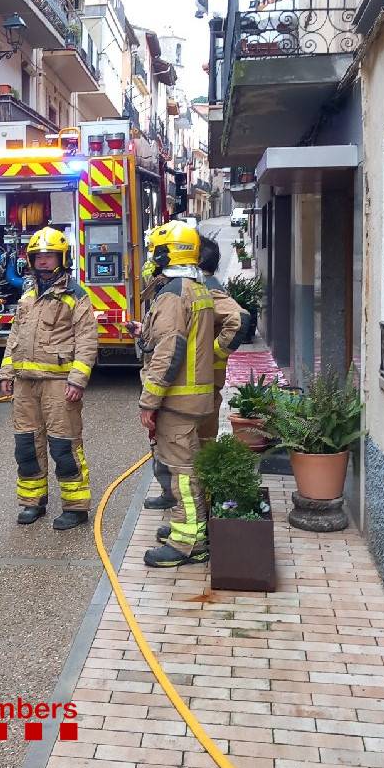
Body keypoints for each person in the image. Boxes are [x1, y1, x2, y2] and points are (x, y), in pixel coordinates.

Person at [0, 226, 99, 530]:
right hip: (26, 383)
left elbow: (87, 340)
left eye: (49, 255)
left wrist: (78, 380)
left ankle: (76, 506)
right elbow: (15, 336)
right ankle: (32, 502)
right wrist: (6, 371)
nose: (43, 261)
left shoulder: (75, 296)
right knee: (26, 445)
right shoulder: (29, 295)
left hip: (59, 385)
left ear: (62, 258)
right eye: (38, 256)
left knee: (63, 446)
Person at [134, 220, 218, 568]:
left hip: (177, 401)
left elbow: (169, 351)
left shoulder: (172, 295)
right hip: (194, 397)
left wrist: (149, 401)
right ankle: (191, 526)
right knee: (190, 466)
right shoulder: (198, 289)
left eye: (155, 251)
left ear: (167, 253)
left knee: (182, 472)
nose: (151, 259)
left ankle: (189, 543)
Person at [196, 235, 249, 446]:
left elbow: (240, 319)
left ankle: (194, 479)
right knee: (202, 444)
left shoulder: (207, 290)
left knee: (195, 447)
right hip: (206, 382)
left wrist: (212, 352)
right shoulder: (208, 286)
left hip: (202, 383)